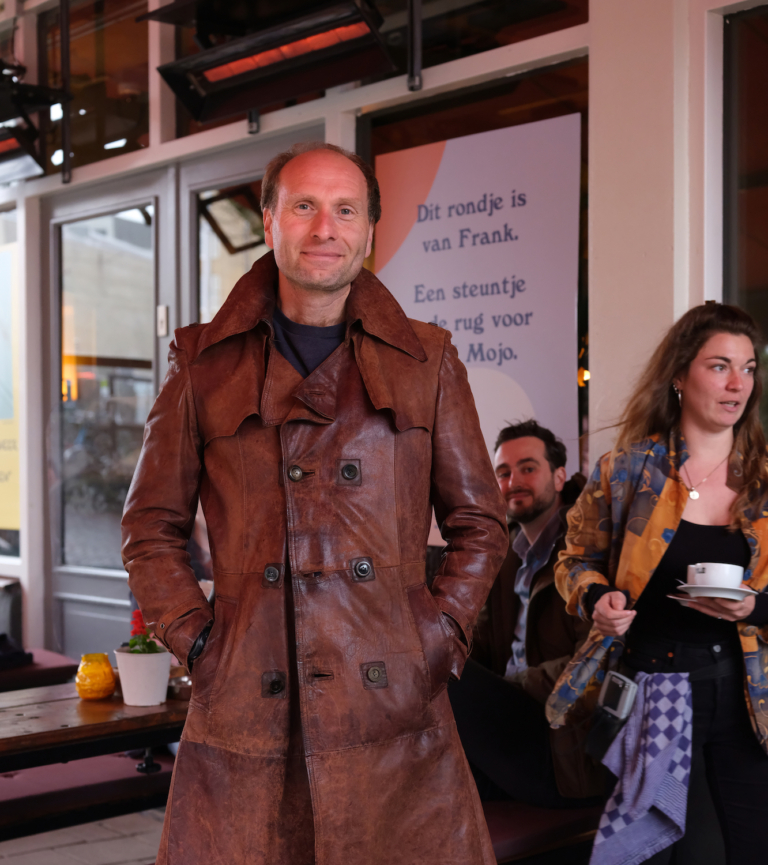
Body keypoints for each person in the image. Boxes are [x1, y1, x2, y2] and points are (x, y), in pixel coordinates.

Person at [121, 141, 508, 865]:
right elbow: (149, 526)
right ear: (270, 222)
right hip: (247, 694)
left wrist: (437, 634)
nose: (324, 227)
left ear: (369, 231)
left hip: (392, 699)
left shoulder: (426, 360)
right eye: (303, 205)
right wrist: (199, 642)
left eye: (344, 209)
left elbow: (480, 522)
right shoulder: (204, 364)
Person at [547, 302, 768, 864]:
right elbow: (573, 559)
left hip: (749, 695)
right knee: (668, 852)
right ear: (679, 375)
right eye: (719, 365)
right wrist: (598, 598)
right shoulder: (626, 471)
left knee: (751, 848)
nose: (737, 382)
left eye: (748, 367)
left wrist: (755, 609)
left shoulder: (765, 480)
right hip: (656, 689)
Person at [449, 420, 606, 807]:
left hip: (558, 736)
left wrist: (509, 686)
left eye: (528, 468)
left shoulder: (585, 551)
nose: (513, 480)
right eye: (503, 472)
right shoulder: (504, 556)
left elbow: (592, 663)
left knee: (443, 679)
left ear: (558, 476)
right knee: (429, 663)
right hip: (507, 723)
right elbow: (480, 644)